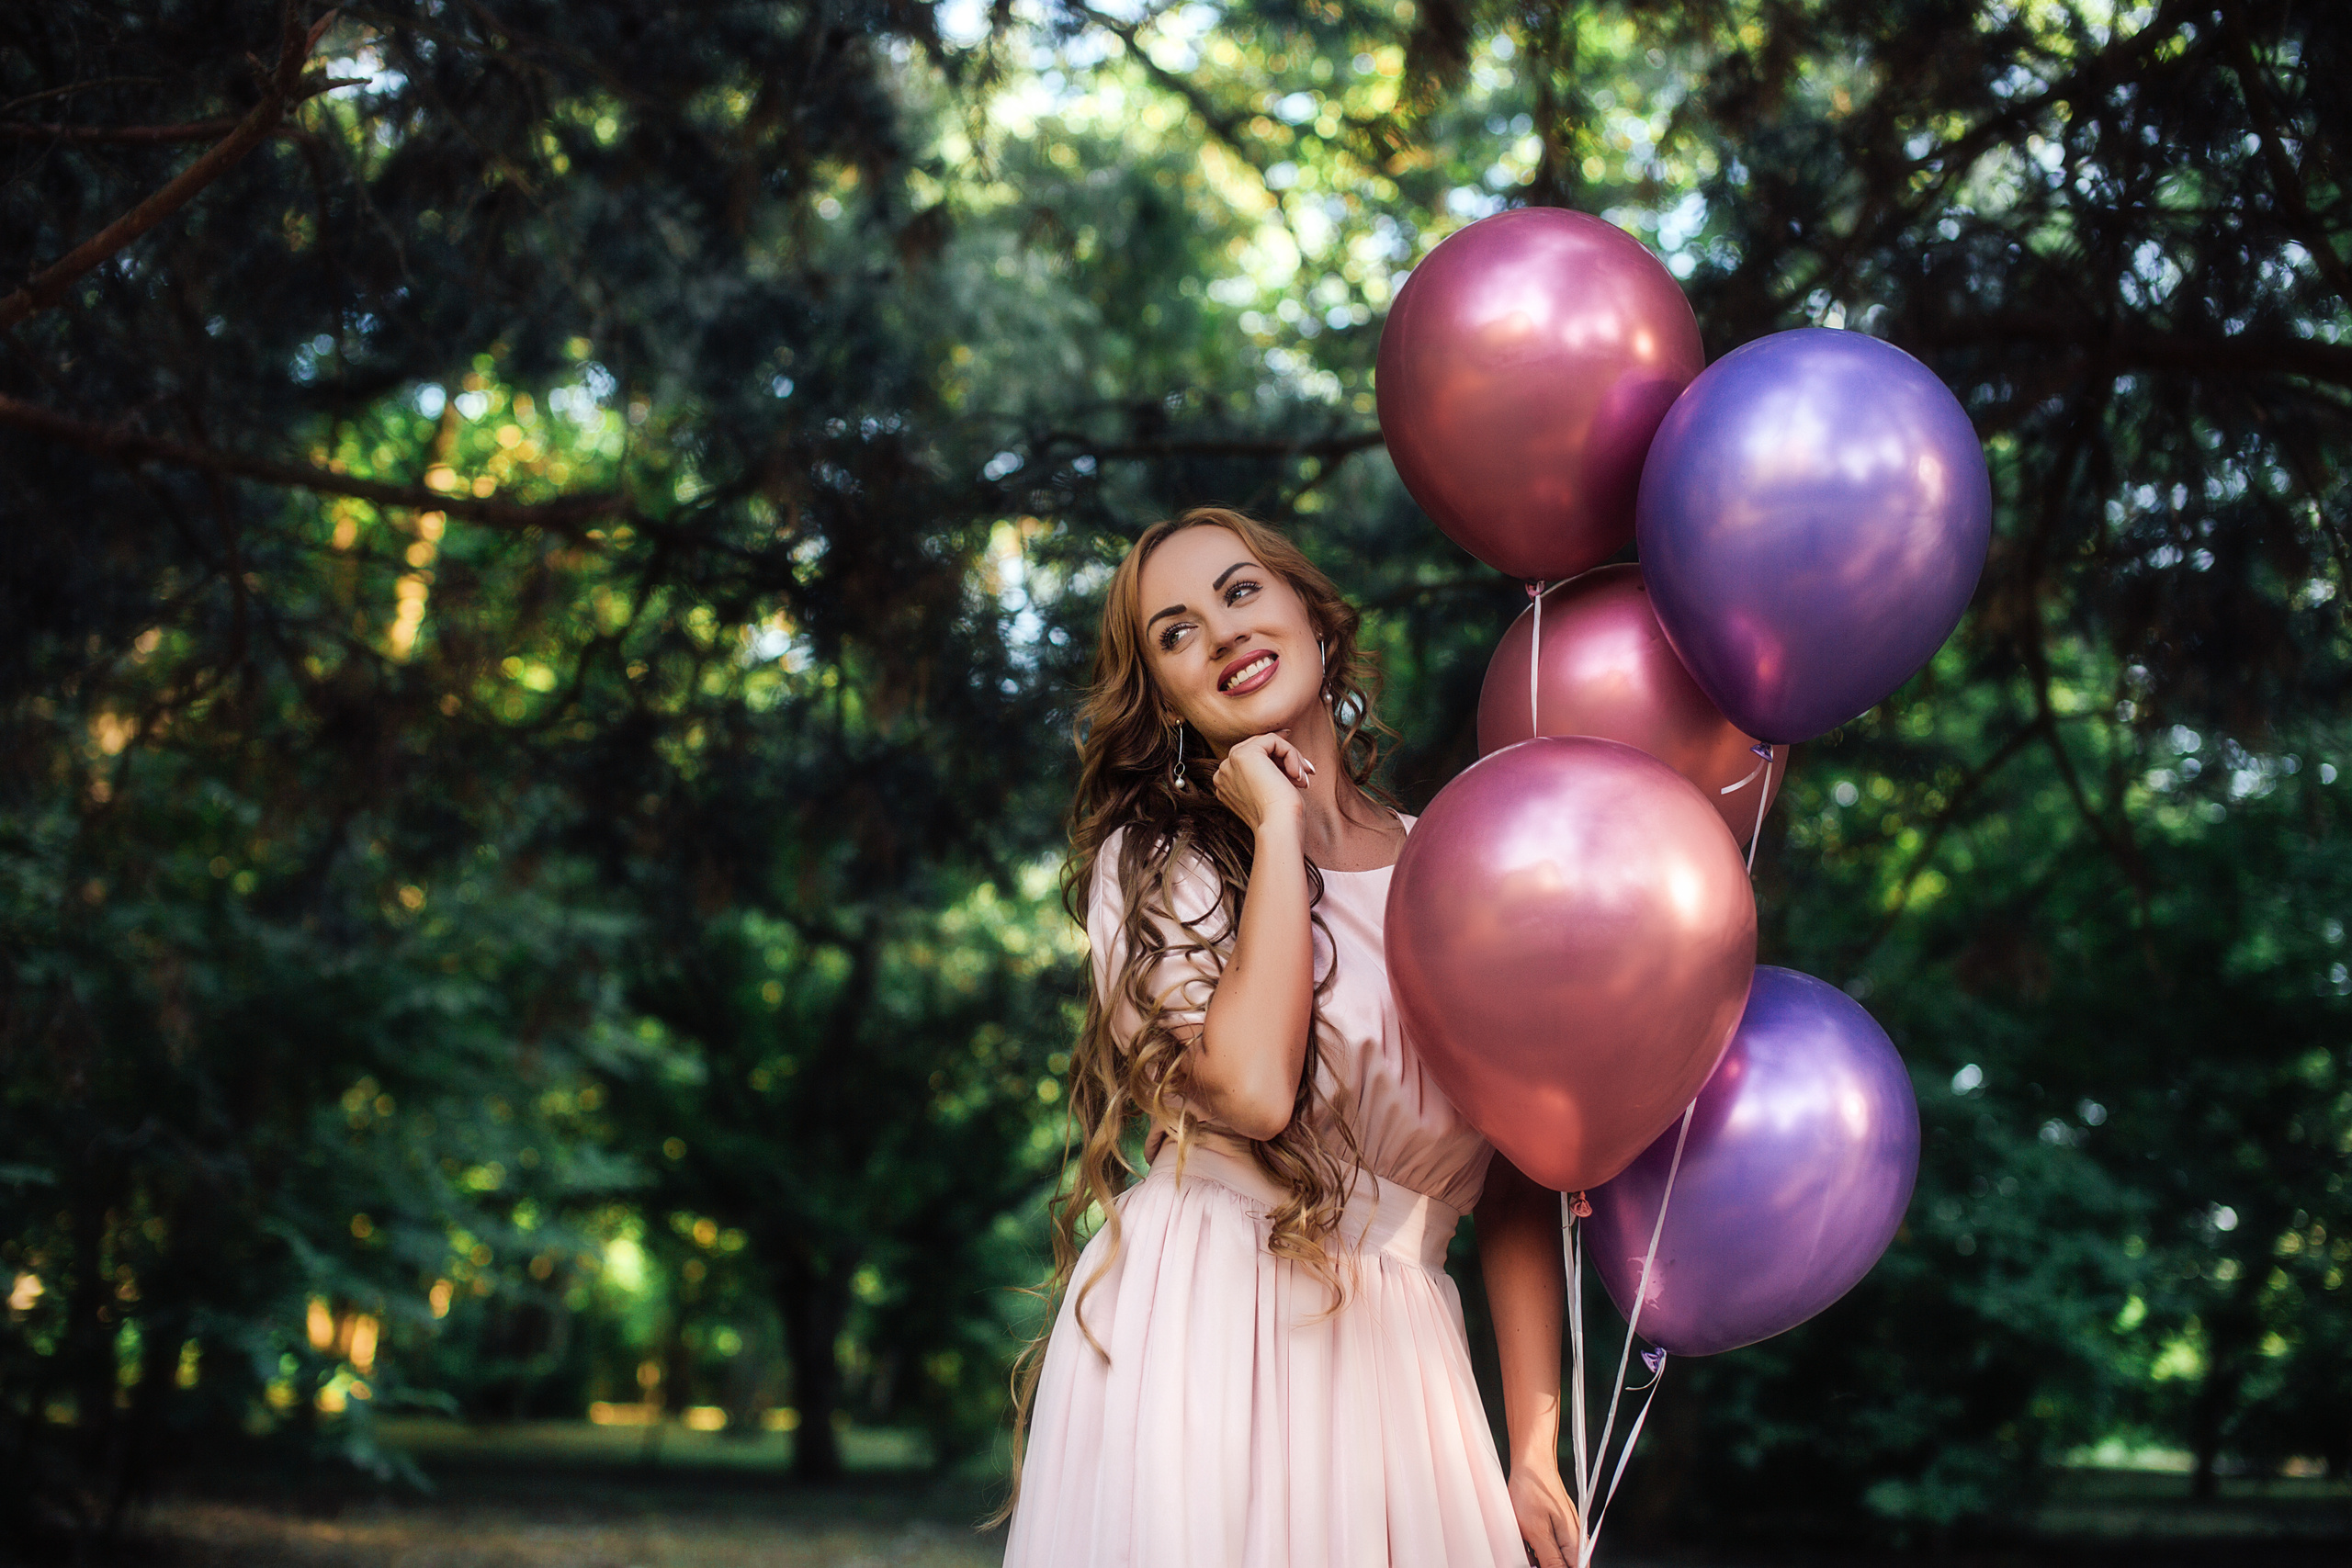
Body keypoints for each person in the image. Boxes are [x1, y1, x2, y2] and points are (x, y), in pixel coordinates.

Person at [999, 507, 1581, 1568]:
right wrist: (1272, 829)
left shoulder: (1456, 863)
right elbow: (1256, 1092)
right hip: (1206, 1317)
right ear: (1163, 694)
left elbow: (1517, 1180)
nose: (1219, 636)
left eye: (1238, 593)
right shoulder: (1153, 863)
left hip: (1404, 1346)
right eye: (1173, 633)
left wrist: (1534, 1448)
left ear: (1309, 614)